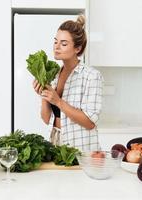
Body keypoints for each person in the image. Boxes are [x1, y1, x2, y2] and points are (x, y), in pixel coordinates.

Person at [33, 15, 103, 151]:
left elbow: (89, 123)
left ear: (77, 48)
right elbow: (46, 119)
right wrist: (43, 94)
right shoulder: (53, 74)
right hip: (55, 143)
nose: (57, 47)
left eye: (63, 44)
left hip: (80, 150)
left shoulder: (92, 76)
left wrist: (58, 101)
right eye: (55, 42)